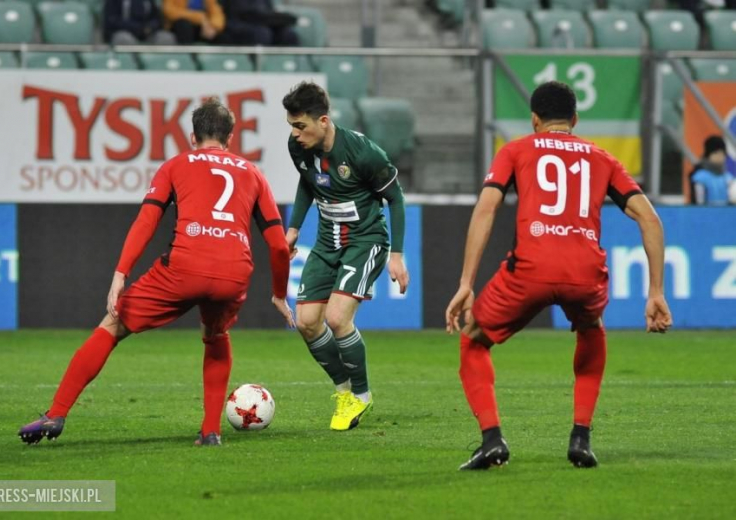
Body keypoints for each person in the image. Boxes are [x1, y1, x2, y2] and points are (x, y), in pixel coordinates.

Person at [19, 99, 294, 447]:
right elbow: (279, 247)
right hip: (234, 272)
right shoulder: (253, 173)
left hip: (185, 267)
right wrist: (280, 293)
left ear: (192, 137)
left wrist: (121, 272)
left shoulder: (175, 165)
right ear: (230, 137)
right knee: (215, 334)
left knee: (112, 325)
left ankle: (56, 413)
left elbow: (147, 221)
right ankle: (210, 432)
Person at [445, 81, 673, 471]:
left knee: (474, 340)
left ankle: (492, 440)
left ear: (535, 120)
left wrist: (467, 282)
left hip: (531, 268)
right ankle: (580, 438)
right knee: (592, 330)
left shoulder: (515, 150)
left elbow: (486, 208)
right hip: (586, 271)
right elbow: (649, 219)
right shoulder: (603, 158)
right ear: (575, 120)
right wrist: (655, 291)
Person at [283, 82, 410, 431]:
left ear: (323, 121)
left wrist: (397, 255)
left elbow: (396, 198)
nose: (295, 134)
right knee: (307, 322)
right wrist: (294, 228)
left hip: (365, 240)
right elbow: (308, 182)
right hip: (327, 242)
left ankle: (362, 395)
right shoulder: (299, 147)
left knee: (338, 318)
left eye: (300, 126)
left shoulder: (363, 152)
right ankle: (344, 392)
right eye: (291, 126)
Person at [220, 0, 299, 46]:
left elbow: (268, 12)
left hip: (261, 23)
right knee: (262, 34)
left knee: (287, 34)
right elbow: (245, 14)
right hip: (235, 26)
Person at [103, 0, 177, 45]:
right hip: (123, 32)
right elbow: (112, 20)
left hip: (146, 34)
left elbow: (157, 19)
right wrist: (137, 28)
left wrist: (149, 27)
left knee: (166, 38)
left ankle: (158, 65)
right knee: (124, 39)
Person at [690, 135, 733, 205]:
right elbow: (698, 203)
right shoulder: (700, 177)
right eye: (716, 153)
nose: (719, 157)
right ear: (708, 155)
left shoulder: (728, 177)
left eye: (722, 154)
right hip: (706, 211)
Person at [162, 0, 227, 45]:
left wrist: (213, 27)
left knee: (224, 35)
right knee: (184, 25)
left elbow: (216, 12)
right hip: (179, 25)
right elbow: (169, 11)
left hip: (202, 26)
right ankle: (186, 57)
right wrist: (199, 18)